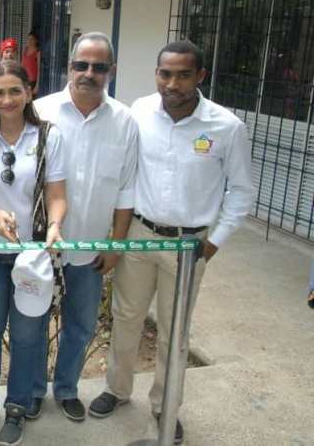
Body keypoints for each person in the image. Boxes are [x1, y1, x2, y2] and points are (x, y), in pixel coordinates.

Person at [90, 40, 255, 444]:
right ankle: (117, 389)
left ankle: (166, 408)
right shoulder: (139, 112)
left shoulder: (226, 127)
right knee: (126, 318)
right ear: (157, 74)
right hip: (139, 237)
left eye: (183, 74)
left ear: (200, 77)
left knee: (174, 331)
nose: (172, 83)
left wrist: (214, 241)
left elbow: (242, 191)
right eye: (165, 73)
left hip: (189, 246)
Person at [33, 32, 138, 423]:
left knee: (80, 325)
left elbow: (127, 188)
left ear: (111, 71)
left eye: (98, 66)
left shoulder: (125, 121)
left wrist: (116, 244)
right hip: (42, 245)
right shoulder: (40, 111)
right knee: (33, 323)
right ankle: (29, 392)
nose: (89, 73)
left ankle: (66, 390)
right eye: (82, 65)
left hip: (92, 248)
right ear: (69, 67)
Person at [0, 60, 67, 446]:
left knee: (28, 334)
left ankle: (18, 406)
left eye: (14, 91)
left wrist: (55, 225)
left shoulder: (47, 136)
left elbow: (57, 195)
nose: (7, 99)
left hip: (33, 256)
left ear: (29, 92)